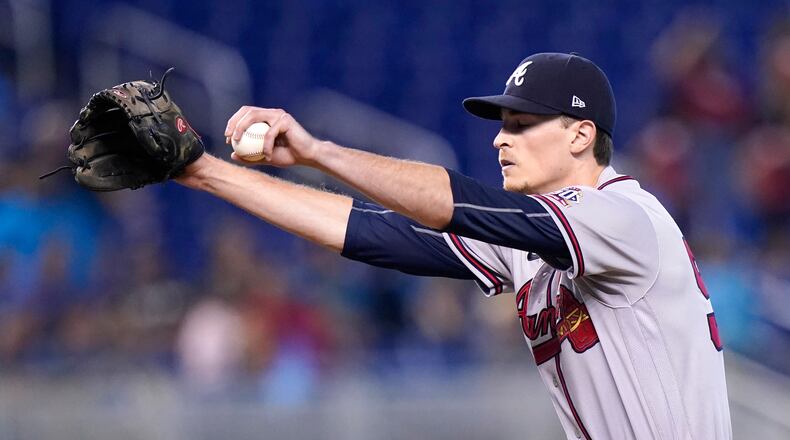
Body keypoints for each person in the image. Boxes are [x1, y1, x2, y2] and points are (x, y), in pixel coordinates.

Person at [175, 52, 731, 439]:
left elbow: (459, 202)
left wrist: (319, 151)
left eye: (520, 124)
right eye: (502, 123)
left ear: (581, 135)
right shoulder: (533, 239)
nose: (499, 138)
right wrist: (202, 172)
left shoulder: (624, 217)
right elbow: (373, 232)